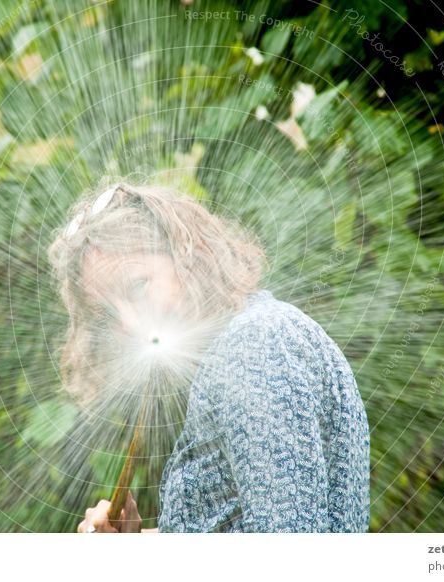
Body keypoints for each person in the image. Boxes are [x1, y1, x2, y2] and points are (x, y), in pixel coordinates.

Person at [47, 182, 370, 533]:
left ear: (188, 256)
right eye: (108, 314)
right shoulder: (239, 348)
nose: (129, 324)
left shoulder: (256, 346)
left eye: (138, 286)